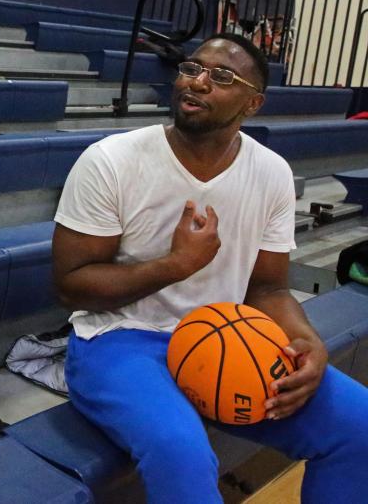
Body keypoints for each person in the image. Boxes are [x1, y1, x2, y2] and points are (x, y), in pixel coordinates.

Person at [52, 32, 368, 503]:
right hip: (117, 339)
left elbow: (268, 290)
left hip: (225, 336)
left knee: (359, 425)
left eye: (221, 76)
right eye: (190, 69)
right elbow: (72, 287)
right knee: (182, 453)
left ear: (253, 103)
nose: (197, 82)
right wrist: (176, 265)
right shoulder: (110, 160)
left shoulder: (272, 172)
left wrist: (306, 342)